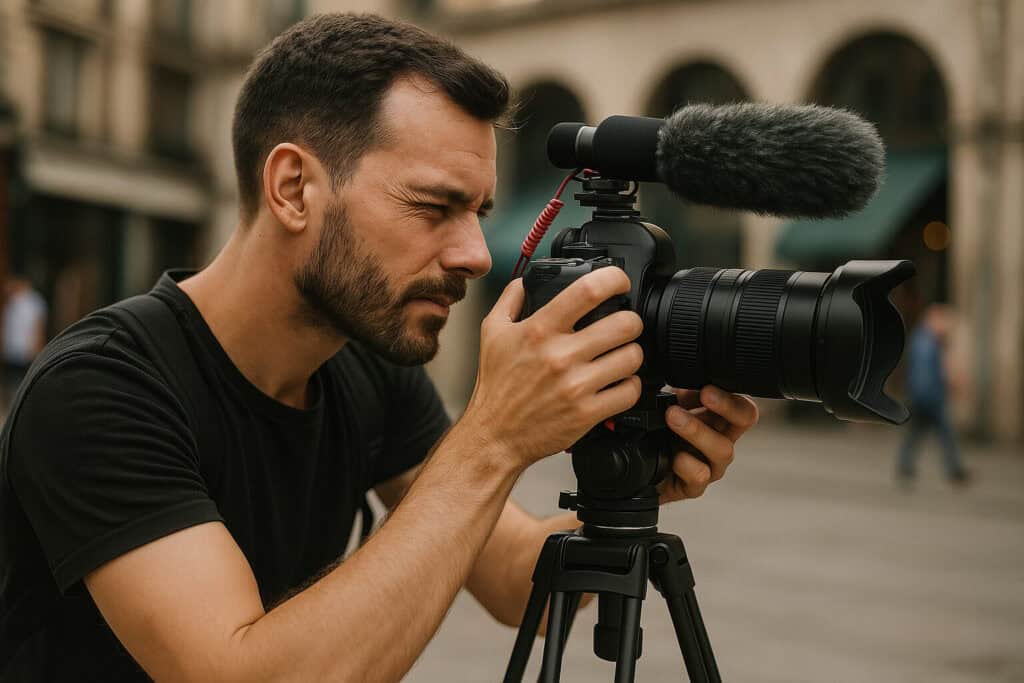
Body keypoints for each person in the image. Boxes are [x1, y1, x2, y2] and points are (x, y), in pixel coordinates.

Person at [0, 13, 759, 681]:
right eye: (436, 206)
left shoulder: (362, 360)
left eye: (481, 212)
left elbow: (508, 574)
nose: (475, 254)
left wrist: (633, 485)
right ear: (294, 188)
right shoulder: (101, 387)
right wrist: (491, 438)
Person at [896, 303, 969, 486]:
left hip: (924, 396)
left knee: (917, 434)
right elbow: (926, 375)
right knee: (944, 434)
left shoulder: (925, 340)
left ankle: (905, 466)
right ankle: (954, 470)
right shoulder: (926, 343)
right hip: (929, 398)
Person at [1, 273, 47, 410]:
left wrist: (36, 347)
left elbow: (38, 326)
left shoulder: (35, 302)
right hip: (12, 349)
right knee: (12, 381)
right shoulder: (12, 301)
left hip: (26, 349)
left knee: (23, 382)